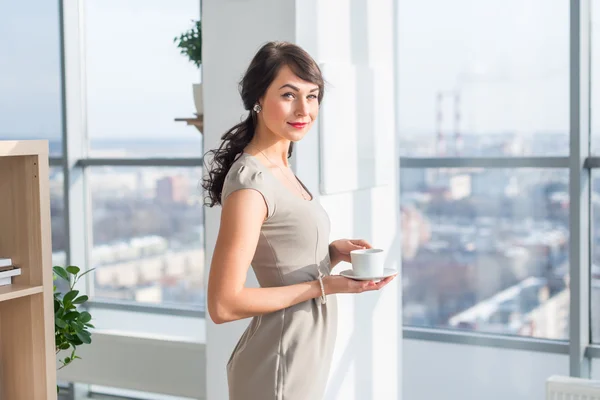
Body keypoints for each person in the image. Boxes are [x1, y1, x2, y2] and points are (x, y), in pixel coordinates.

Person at [203, 41, 396, 400]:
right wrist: (324, 285)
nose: (304, 109)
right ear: (258, 98)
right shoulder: (251, 182)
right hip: (278, 366)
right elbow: (223, 304)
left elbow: (279, 253)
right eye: (289, 95)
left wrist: (330, 253)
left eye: (313, 96)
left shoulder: (283, 168)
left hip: (300, 356)